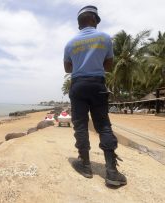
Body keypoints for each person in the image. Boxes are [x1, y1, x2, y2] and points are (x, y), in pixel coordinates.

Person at [63, 5, 127, 186]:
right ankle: (112, 172)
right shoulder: (105, 38)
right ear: (93, 20)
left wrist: (80, 64)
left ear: (79, 23)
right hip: (97, 84)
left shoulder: (70, 43)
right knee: (103, 125)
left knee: (80, 125)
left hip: (78, 86)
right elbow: (108, 65)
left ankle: (84, 165)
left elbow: (68, 68)